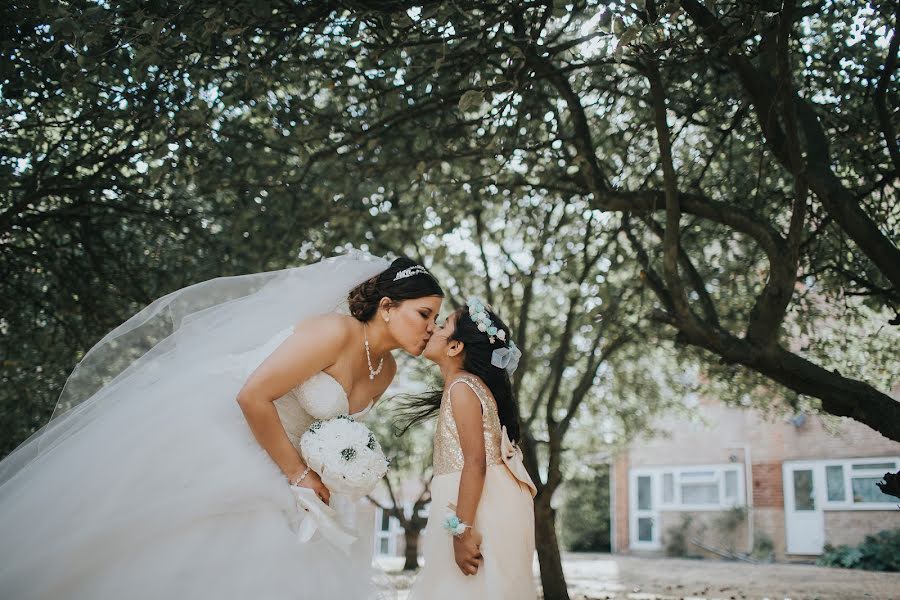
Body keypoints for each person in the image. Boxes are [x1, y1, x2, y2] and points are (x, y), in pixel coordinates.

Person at [0, 252, 443, 600]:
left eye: (436, 320)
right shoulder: (333, 331)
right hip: (232, 434)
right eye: (424, 314)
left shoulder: (385, 372)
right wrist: (298, 473)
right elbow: (253, 396)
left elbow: (328, 428)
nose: (430, 328)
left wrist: (337, 466)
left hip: (292, 467)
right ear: (387, 306)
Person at [404, 298, 538, 600]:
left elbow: (475, 461)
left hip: (478, 503)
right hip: (478, 496)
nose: (431, 329)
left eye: (442, 325)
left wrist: (462, 532)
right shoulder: (467, 385)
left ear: (455, 347)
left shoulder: (462, 387)